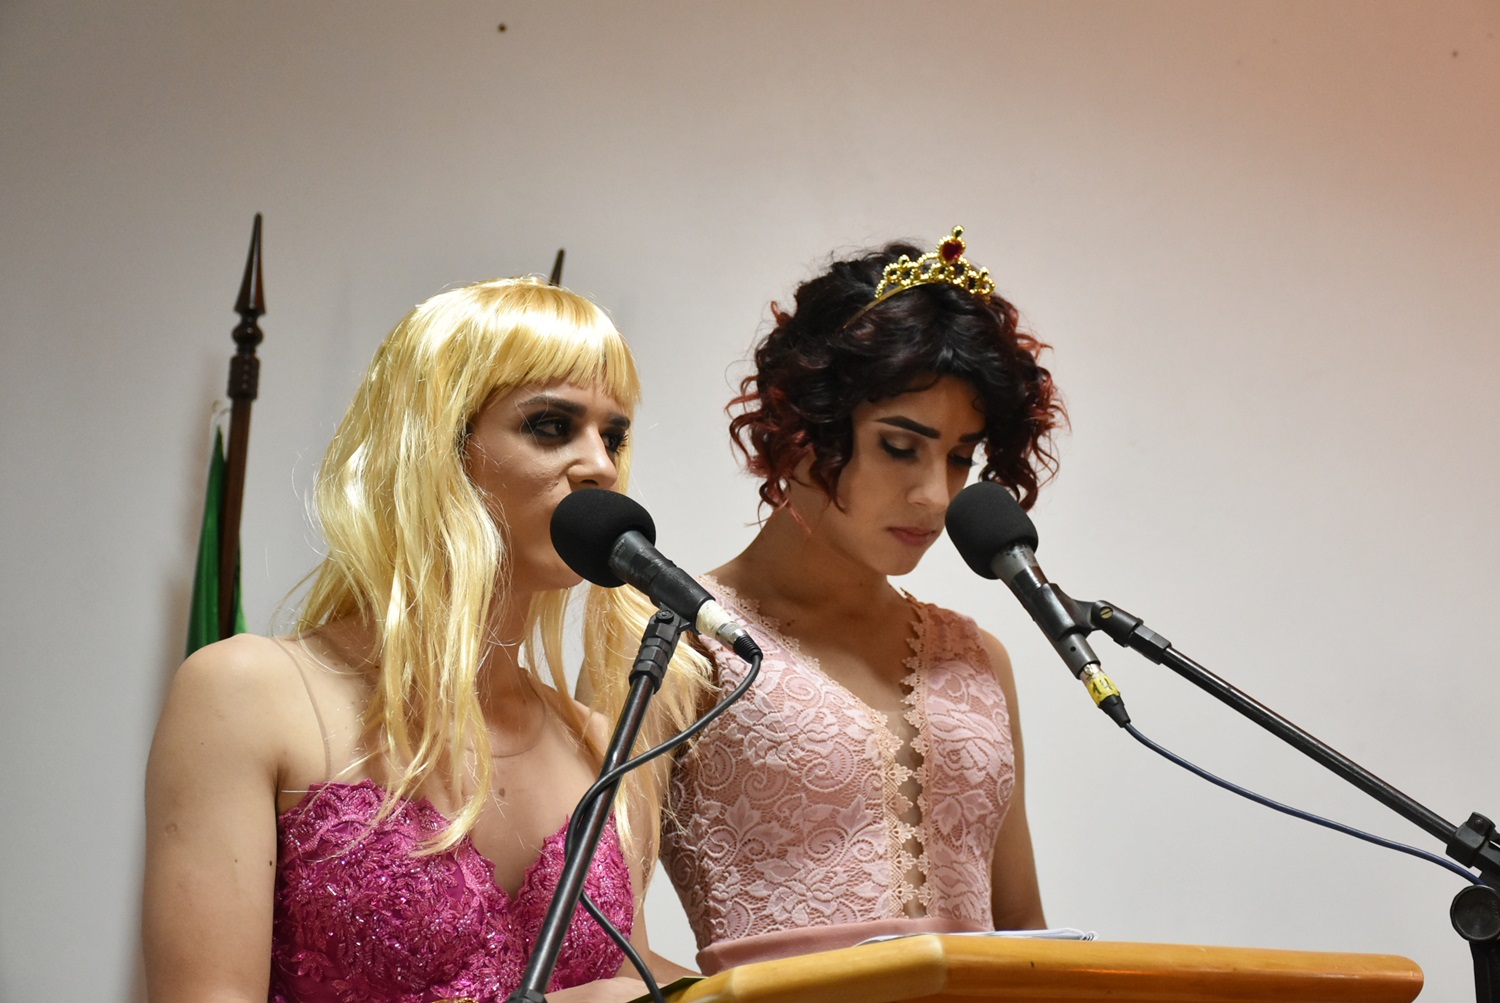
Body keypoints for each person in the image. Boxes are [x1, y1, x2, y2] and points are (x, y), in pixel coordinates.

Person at [144, 277, 691, 1003]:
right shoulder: (246, 693)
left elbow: (628, 977)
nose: (601, 465)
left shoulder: (598, 741)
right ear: (437, 449)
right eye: (551, 425)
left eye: (612, 435)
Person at [587, 228, 1065, 974]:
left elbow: (1026, 932)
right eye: (901, 447)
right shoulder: (674, 641)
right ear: (802, 427)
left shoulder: (978, 660)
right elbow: (607, 951)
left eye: (960, 457)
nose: (935, 495)